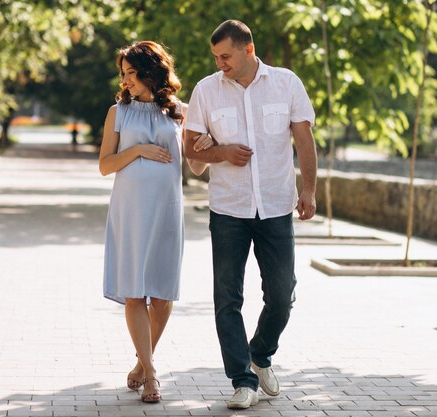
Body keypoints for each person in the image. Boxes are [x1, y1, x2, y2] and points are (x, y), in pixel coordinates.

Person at [184, 20, 317, 409]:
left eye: (225, 56)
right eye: (216, 57)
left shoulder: (286, 83)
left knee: (282, 295)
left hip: (276, 206)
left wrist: (308, 189)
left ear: (248, 50)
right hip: (228, 209)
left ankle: (260, 354)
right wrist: (221, 153)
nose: (220, 63)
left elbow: (304, 140)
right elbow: (191, 149)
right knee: (227, 298)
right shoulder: (206, 90)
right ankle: (242, 380)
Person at [99, 41, 211, 403]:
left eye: (133, 72)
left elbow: (197, 165)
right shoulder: (118, 112)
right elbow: (105, 165)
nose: (127, 80)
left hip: (166, 209)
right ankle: (151, 375)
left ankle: (140, 363)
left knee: (162, 295)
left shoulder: (181, 112)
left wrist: (209, 146)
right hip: (129, 210)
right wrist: (137, 150)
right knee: (135, 292)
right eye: (124, 74)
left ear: (151, 70)